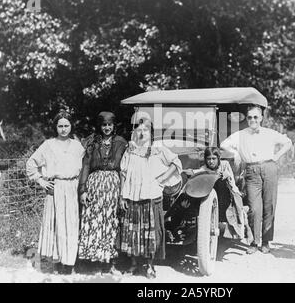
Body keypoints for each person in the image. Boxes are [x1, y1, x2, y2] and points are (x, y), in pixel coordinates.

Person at [220, 104, 292, 254]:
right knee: (254, 208)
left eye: (255, 117)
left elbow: (288, 142)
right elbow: (223, 145)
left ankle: (266, 241)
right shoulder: (240, 134)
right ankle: (254, 241)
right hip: (251, 171)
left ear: (261, 118)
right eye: (250, 117)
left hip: (269, 168)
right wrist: (236, 154)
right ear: (247, 119)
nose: (252, 120)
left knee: (269, 205)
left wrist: (277, 156)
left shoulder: (269, 133)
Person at [119, 118, 182, 279]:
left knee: (151, 233)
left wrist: (162, 179)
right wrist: (122, 196)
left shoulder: (158, 149)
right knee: (132, 231)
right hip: (132, 196)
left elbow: (176, 163)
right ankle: (134, 264)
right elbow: (123, 173)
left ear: (151, 133)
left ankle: (149, 266)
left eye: (145, 130)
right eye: (138, 130)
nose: (141, 133)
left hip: (151, 196)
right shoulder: (130, 150)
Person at [26, 110, 85, 274]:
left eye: (67, 125)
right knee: (57, 224)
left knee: (71, 225)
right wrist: (41, 180)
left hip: (72, 188)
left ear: (71, 126)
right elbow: (31, 163)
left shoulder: (77, 146)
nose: (64, 129)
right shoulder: (48, 145)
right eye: (60, 126)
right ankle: (58, 261)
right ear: (56, 127)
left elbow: (83, 169)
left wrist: (82, 189)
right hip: (55, 189)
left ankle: (69, 263)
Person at [78, 111, 127, 274]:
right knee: (95, 222)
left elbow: (123, 169)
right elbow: (85, 165)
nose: (107, 128)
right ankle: (95, 263)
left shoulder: (121, 143)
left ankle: (110, 263)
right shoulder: (92, 142)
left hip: (113, 187)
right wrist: (83, 190)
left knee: (111, 223)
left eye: (110, 125)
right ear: (100, 126)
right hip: (95, 186)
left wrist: (122, 194)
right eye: (104, 125)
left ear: (114, 126)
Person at [184, 147, 253, 243]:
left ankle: (247, 228)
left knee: (238, 206)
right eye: (208, 159)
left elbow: (230, 179)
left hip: (228, 192)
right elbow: (199, 171)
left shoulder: (225, 164)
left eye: (213, 159)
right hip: (215, 194)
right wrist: (191, 172)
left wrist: (225, 174)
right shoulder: (205, 168)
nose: (211, 162)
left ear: (218, 158)